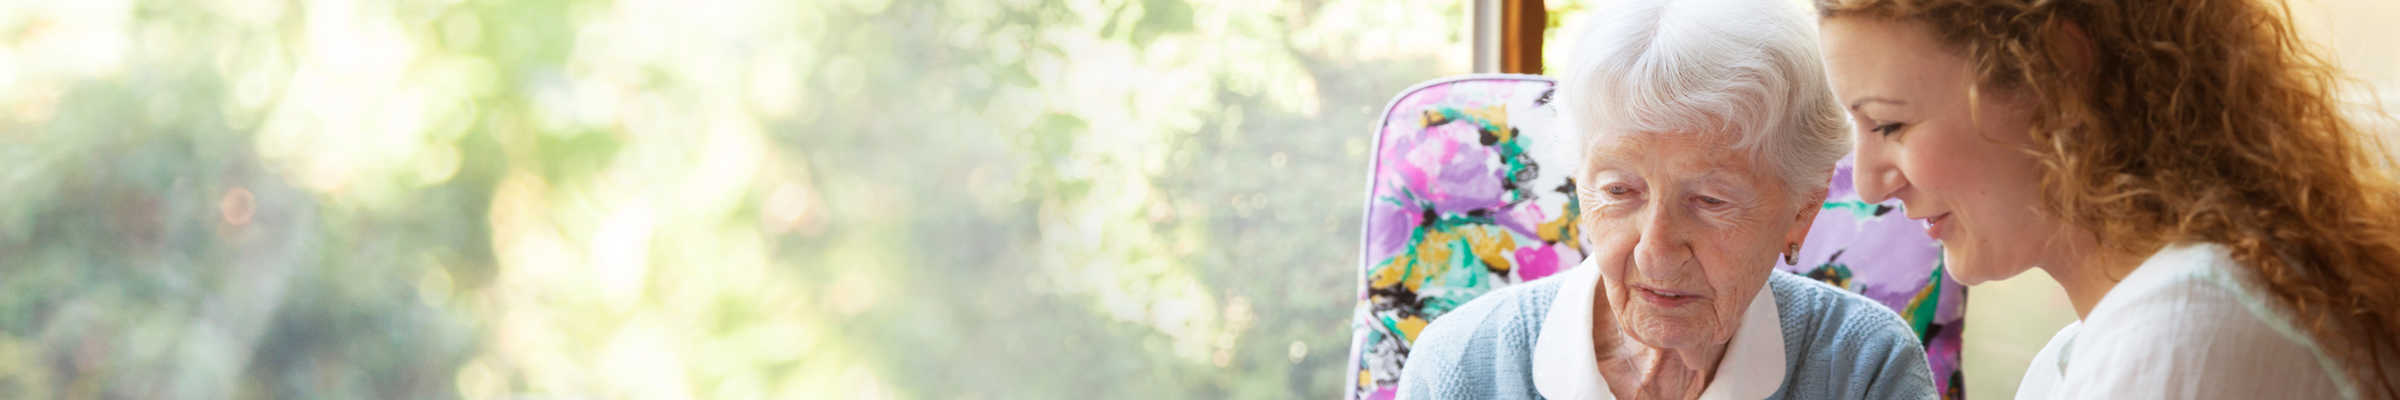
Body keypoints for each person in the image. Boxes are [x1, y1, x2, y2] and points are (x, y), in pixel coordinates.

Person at [1814, 0, 2400, 398]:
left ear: (2055, 74)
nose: (1867, 186)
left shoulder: (2186, 325)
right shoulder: (2090, 351)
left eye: (1889, 125)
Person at [1395, 0, 1937, 398]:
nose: (1654, 252)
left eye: (1710, 200)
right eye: (1618, 191)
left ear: (1802, 210)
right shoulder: (1463, 367)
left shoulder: (1866, 367)